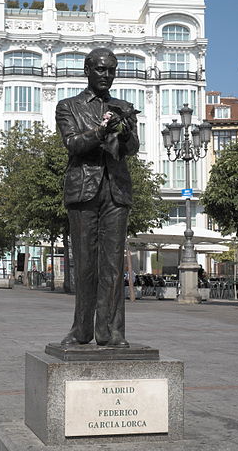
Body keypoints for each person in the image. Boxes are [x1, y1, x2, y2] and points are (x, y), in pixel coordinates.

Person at [56, 47, 139, 347]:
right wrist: (101, 132)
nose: (107, 75)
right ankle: (81, 330)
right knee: (86, 263)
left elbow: (131, 150)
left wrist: (126, 132)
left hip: (116, 190)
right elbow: (73, 144)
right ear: (87, 70)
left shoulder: (123, 107)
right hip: (83, 190)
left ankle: (112, 332)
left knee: (114, 264)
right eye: (101, 69)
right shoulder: (69, 107)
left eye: (112, 70)